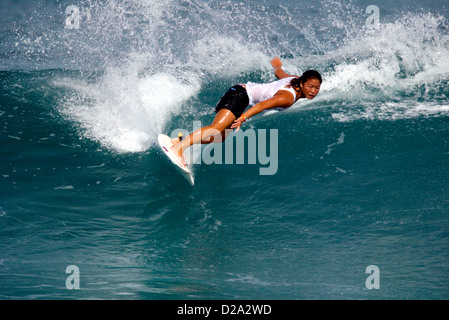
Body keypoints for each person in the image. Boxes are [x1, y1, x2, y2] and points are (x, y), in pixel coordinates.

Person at [171, 56, 322, 166]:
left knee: (220, 137)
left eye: (316, 88)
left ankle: (181, 140)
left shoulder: (294, 79)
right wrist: (243, 117)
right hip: (240, 95)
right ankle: (178, 148)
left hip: (241, 96)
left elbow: (280, 74)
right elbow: (262, 105)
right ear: (302, 83)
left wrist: (277, 67)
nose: (313, 91)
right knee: (216, 129)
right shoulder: (288, 97)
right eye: (310, 87)